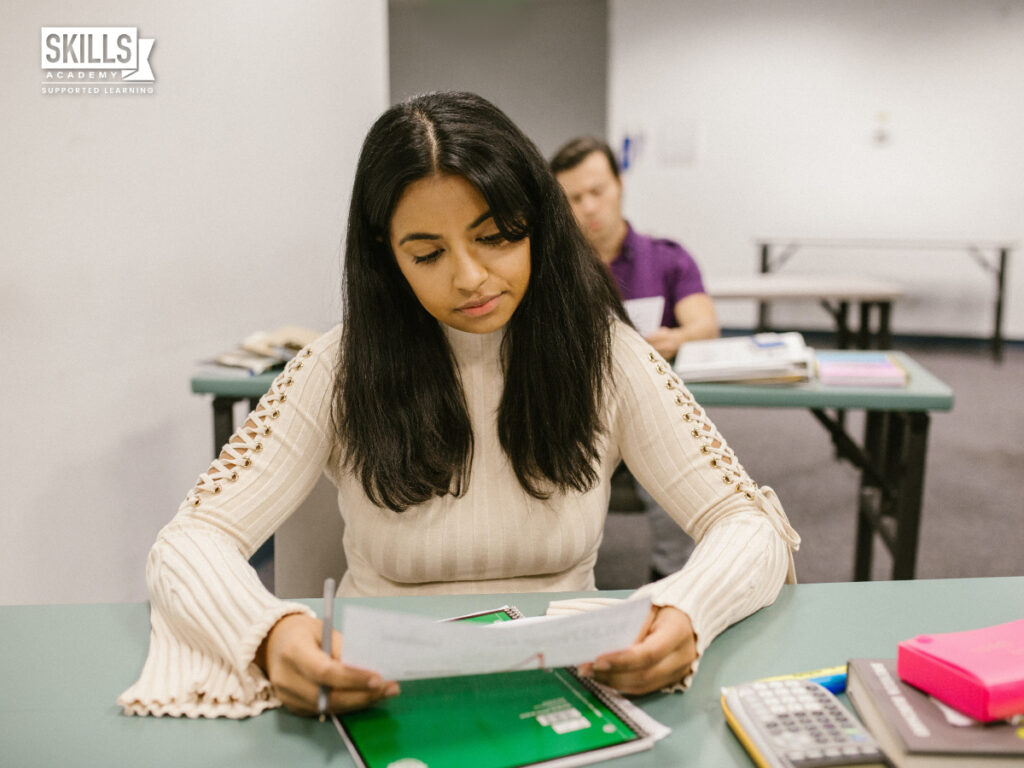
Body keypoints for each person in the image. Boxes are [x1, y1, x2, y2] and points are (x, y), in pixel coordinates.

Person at [118, 92, 799, 720]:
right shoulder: (339, 368)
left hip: (570, 688)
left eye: (497, 236)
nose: (471, 278)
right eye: (427, 253)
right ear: (386, 258)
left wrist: (687, 610)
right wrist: (269, 634)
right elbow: (188, 543)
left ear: (538, 223)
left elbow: (751, 525)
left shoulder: (607, 356)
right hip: (376, 695)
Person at [552, 136, 720, 580]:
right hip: (573, 416)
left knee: (683, 477)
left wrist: (675, 338)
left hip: (650, 414)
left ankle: (673, 583)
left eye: (598, 191)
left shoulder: (666, 258)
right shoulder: (550, 269)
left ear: (619, 185)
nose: (589, 206)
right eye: (574, 197)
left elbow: (705, 325)